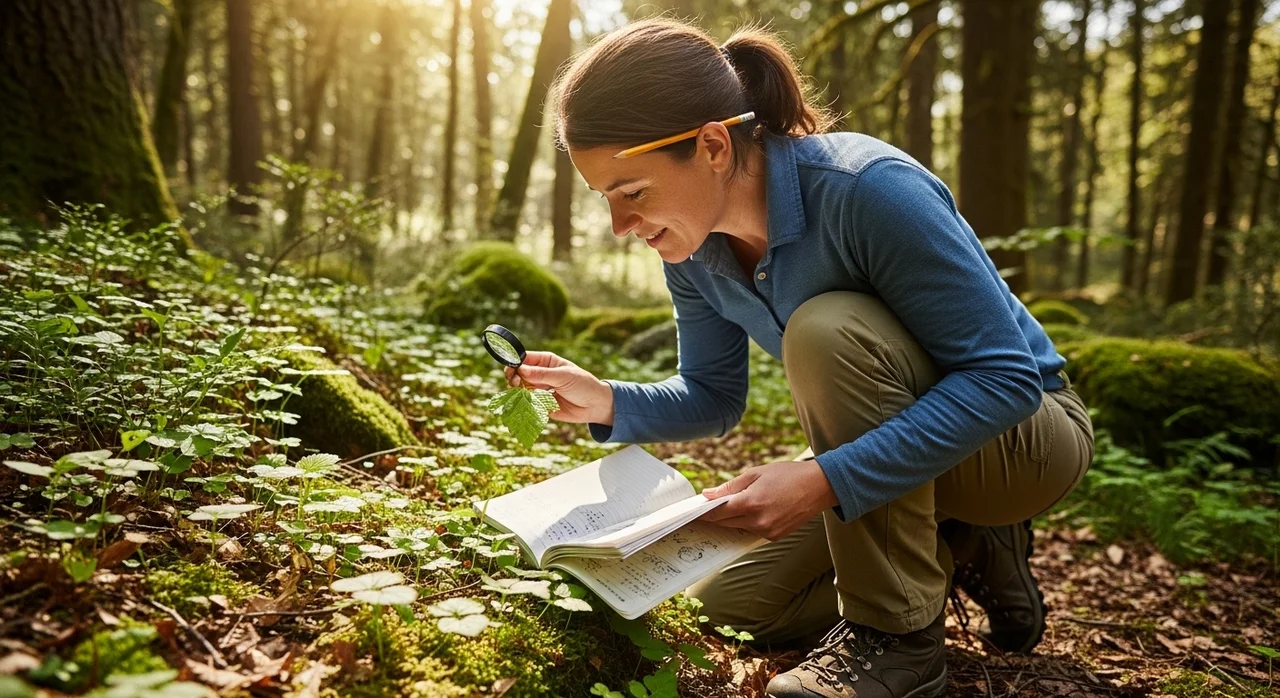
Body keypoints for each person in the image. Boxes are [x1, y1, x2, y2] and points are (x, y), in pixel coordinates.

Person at [504, 18, 1094, 698]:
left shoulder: (867, 189)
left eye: (632, 191)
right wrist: (607, 399)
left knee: (823, 327)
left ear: (714, 145)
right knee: (728, 605)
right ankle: (956, 548)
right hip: (913, 445)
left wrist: (821, 481)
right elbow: (713, 395)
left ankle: (897, 643)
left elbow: (1005, 379)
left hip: (1026, 444)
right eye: (604, 197)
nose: (619, 226)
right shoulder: (692, 249)